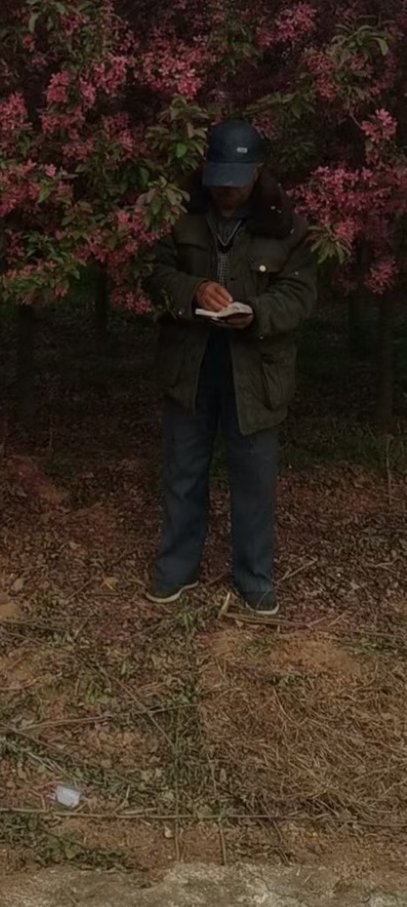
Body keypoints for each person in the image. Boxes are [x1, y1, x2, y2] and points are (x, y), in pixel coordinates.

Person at [146, 120, 317, 617]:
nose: (227, 190)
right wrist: (193, 291)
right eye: (219, 178)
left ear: (257, 171)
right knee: (182, 471)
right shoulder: (181, 216)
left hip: (256, 370)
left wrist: (257, 313)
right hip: (191, 365)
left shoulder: (286, 225)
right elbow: (155, 274)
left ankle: (254, 576)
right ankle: (176, 568)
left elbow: (300, 294)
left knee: (254, 479)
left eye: (238, 180)